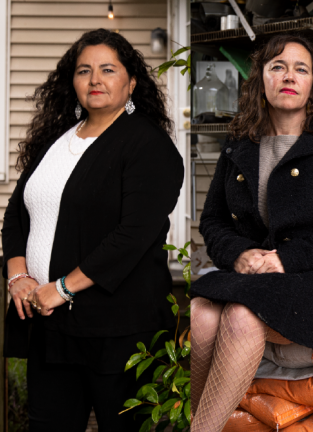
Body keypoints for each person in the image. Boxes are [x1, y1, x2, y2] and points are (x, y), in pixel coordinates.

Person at [189, 34, 313, 432]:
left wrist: (286, 259)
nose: (289, 76)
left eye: (300, 69)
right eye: (277, 67)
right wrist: (238, 254)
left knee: (239, 315)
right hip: (255, 275)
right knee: (202, 312)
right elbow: (213, 221)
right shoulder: (239, 144)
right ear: (261, 80)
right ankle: (204, 423)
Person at [2, 29, 184, 431]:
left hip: (118, 330)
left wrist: (62, 287)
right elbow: (16, 214)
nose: (95, 80)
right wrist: (18, 276)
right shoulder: (57, 141)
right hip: (47, 323)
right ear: (73, 81)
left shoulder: (148, 147)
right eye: (84, 71)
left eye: (108, 69)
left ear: (131, 82)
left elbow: (133, 235)